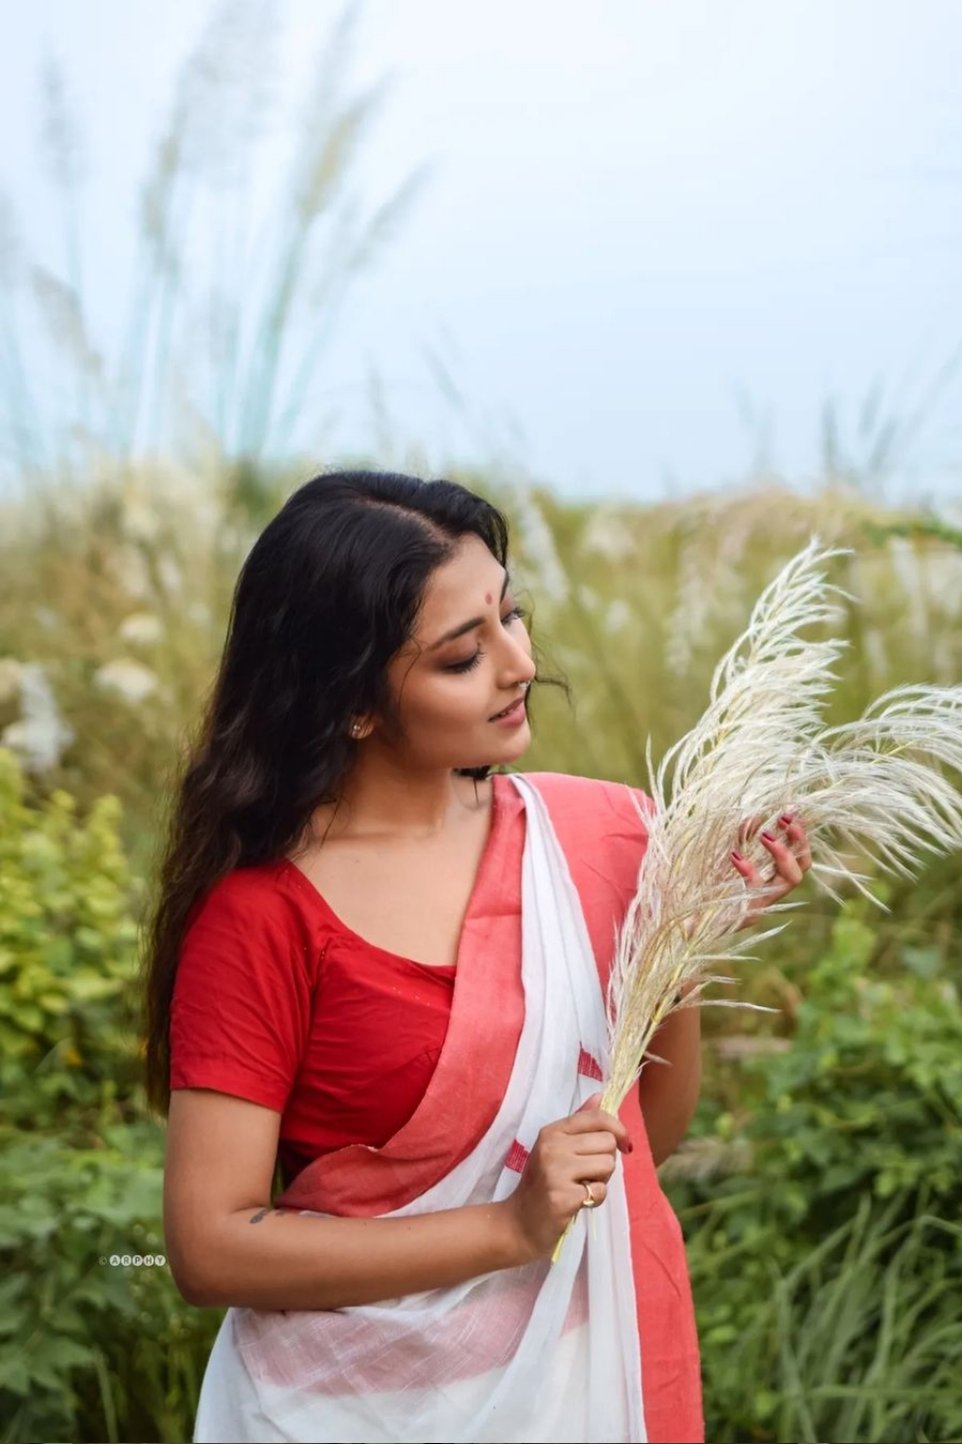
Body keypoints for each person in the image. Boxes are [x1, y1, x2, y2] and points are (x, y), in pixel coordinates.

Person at [142, 470, 811, 1444]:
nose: (518, 662)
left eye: (510, 615)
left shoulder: (604, 835)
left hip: (578, 1388)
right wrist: (504, 1229)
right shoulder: (262, 917)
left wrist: (685, 935)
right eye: (463, 654)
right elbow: (209, 1246)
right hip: (338, 1406)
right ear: (352, 704)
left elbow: (639, 1143)